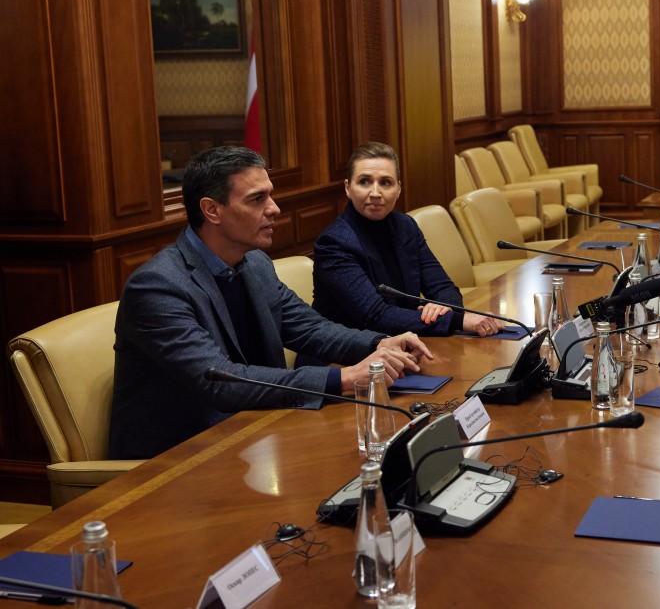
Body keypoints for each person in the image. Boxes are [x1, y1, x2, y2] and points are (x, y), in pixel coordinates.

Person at [110, 146, 433, 460]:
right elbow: (221, 380)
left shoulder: (255, 264)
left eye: (270, 195)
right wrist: (344, 378)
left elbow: (311, 330)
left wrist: (380, 343)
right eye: (257, 199)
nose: (275, 208)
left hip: (258, 431)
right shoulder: (157, 286)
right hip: (180, 457)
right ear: (212, 210)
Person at [311, 141, 502, 337]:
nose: (375, 193)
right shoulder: (334, 243)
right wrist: (458, 320)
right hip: (345, 357)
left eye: (385, 183)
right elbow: (375, 316)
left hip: (401, 343)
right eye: (364, 182)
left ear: (398, 189)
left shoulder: (405, 226)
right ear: (348, 188)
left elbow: (443, 287)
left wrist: (443, 308)